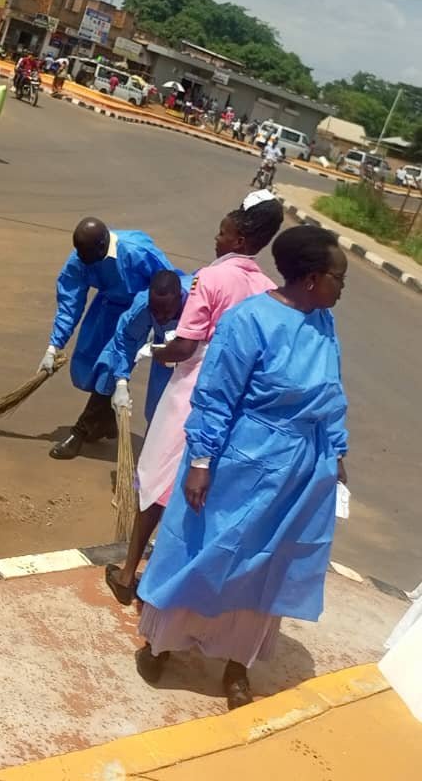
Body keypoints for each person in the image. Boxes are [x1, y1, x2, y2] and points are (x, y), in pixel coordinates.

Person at [134, 225, 348, 710]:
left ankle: (237, 665)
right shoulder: (248, 321)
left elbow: (331, 392)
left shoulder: (323, 323)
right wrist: (202, 461)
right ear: (312, 278)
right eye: (339, 278)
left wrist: (337, 451)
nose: (342, 288)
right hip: (240, 461)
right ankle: (161, 644)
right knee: (203, 552)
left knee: (269, 567)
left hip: (298, 470)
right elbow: (215, 396)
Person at [106, 192, 283, 606]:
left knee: (157, 481)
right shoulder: (267, 287)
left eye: (222, 233)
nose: (216, 239)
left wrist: (155, 351)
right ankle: (164, 582)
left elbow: (186, 347)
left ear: (239, 239)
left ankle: (129, 573)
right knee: (197, 491)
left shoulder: (211, 278)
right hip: (235, 399)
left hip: (194, 390)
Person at [42, 219, 173, 461]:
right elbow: (70, 301)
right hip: (105, 308)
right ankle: (105, 421)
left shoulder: (137, 251)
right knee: (89, 363)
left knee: (110, 367)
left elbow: (168, 284)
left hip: (137, 312)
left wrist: (162, 325)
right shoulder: (81, 257)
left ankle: (80, 431)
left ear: (103, 245)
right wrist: (54, 345)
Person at [95, 269, 192, 429]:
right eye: (155, 312)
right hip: (165, 350)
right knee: (156, 411)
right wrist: (121, 382)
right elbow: (126, 340)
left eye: (167, 312)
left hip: (197, 355)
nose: (160, 318)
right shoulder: (143, 305)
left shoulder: (199, 305)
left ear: (180, 299)